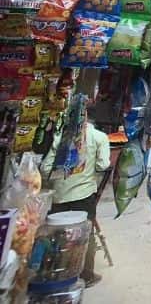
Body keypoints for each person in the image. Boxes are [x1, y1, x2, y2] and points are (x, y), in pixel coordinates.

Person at [42, 106, 111, 288]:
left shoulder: (61, 137)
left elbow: (45, 168)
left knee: (56, 234)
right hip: (84, 194)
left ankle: (53, 271)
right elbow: (103, 165)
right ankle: (85, 274)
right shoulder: (99, 137)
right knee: (84, 234)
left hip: (59, 195)